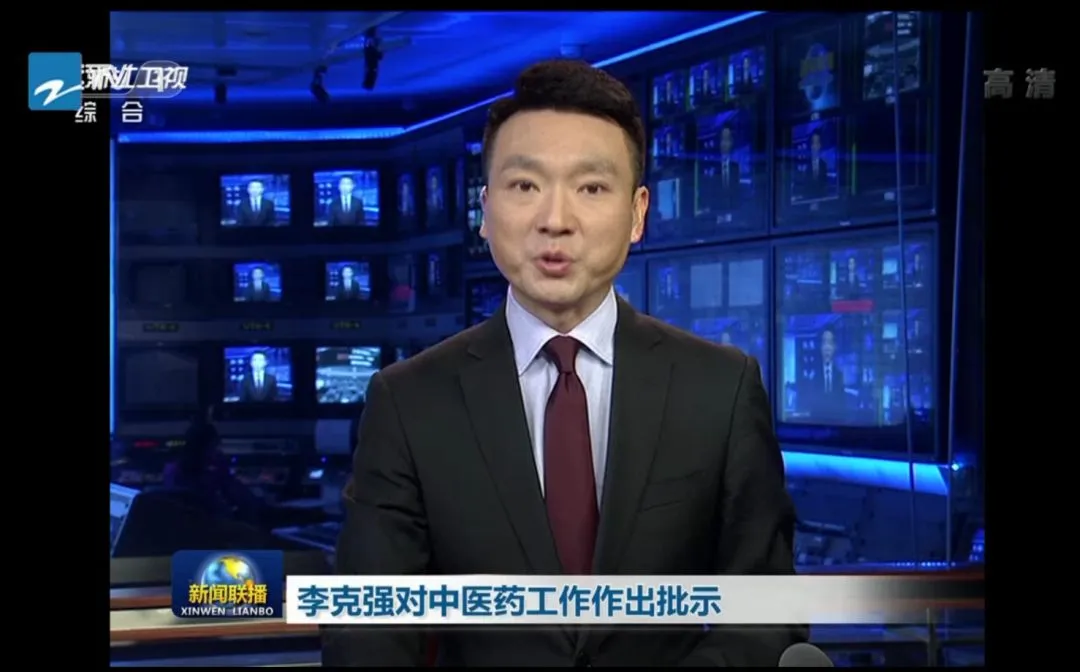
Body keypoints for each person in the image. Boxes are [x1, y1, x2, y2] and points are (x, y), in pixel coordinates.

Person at [323, 59, 804, 667]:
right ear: (485, 209)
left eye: (591, 188)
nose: (555, 220)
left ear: (637, 214)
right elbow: (369, 626)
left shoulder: (720, 388)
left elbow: (767, 609)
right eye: (525, 186)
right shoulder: (409, 401)